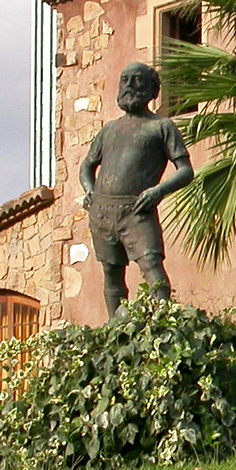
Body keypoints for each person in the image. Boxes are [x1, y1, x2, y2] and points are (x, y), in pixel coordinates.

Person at [79, 62, 194, 317]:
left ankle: (161, 323)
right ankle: (115, 328)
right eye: (125, 79)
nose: (130, 86)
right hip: (102, 212)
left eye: (137, 80)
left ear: (153, 91)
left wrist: (158, 191)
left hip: (137, 210)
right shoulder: (108, 130)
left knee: (152, 265)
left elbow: (186, 171)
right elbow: (86, 166)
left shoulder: (162, 127)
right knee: (111, 271)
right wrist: (89, 189)